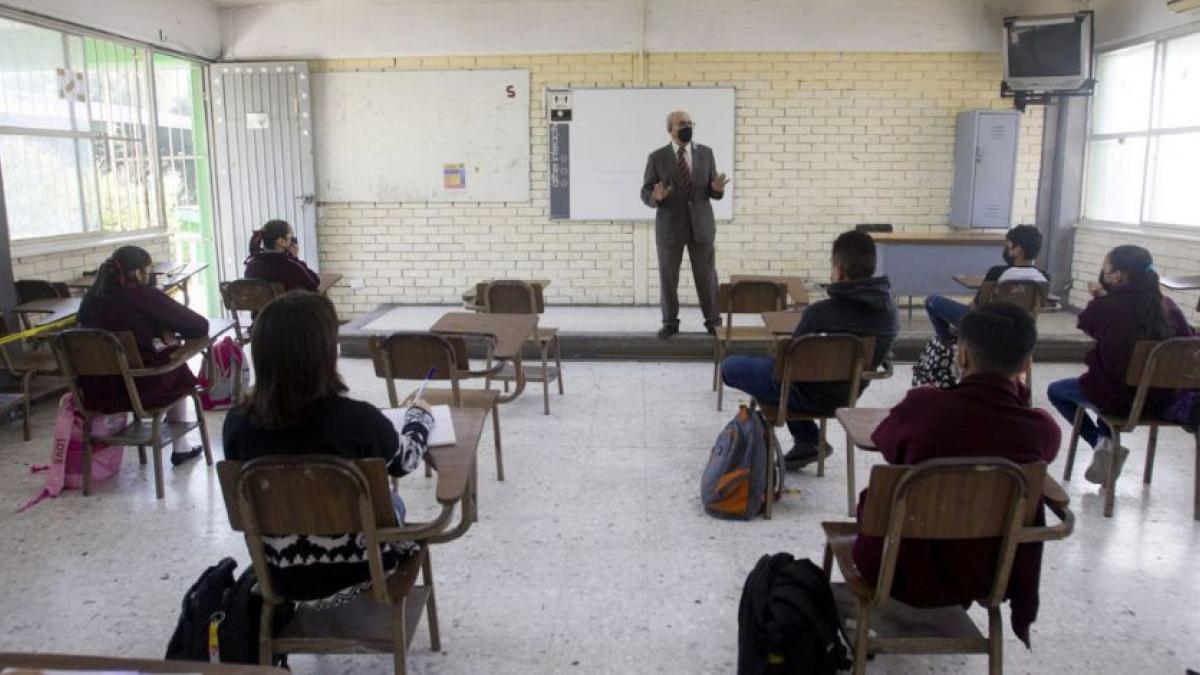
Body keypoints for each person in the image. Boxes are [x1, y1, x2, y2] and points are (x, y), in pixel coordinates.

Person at [852, 302, 1060, 648]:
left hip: (899, 568)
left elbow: (884, 441)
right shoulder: (1041, 430)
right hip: (987, 571)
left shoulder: (924, 407)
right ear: (1026, 364)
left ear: (961, 356)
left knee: (872, 503)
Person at [222, 291, 434, 608]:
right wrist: (419, 418)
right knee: (392, 502)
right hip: (362, 568)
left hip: (278, 571)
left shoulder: (237, 423)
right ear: (324, 354)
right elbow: (405, 462)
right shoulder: (359, 420)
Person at [720, 230, 898, 469]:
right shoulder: (889, 314)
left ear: (838, 271)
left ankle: (809, 440)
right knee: (768, 375)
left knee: (731, 367)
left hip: (802, 394)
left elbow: (787, 365)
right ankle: (809, 441)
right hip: (847, 396)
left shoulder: (820, 313)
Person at [1046, 245, 1194, 485]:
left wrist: (1100, 298)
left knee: (1061, 390)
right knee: (1109, 382)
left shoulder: (1106, 307)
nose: (1102, 274)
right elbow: (1187, 340)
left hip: (1121, 400)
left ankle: (1101, 443)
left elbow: (1086, 323)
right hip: (1165, 400)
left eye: (1106, 269)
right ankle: (1105, 442)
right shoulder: (1168, 306)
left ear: (1119, 275)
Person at [76, 246, 208, 465]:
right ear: (137, 272)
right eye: (148, 270)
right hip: (140, 390)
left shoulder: (90, 299)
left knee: (164, 356)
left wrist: (156, 330)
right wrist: (165, 330)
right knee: (176, 363)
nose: (150, 276)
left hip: (96, 390)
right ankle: (181, 447)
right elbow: (198, 326)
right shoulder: (143, 295)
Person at [640, 110, 730, 339]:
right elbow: (646, 192)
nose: (688, 127)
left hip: (701, 225)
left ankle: (713, 321)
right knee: (668, 277)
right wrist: (655, 197)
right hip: (670, 227)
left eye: (690, 123)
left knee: (707, 276)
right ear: (670, 129)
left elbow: (711, 189)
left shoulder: (706, 154)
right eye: (682, 124)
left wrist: (716, 191)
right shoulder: (657, 157)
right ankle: (670, 322)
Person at [924, 224, 1049, 342]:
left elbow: (977, 306)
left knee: (932, 301)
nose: (1006, 248)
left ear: (1019, 250)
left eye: (1009, 245)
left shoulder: (997, 272)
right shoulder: (1044, 277)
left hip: (987, 328)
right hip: (1023, 331)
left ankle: (948, 343)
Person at [244, 219, 320, 292]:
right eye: (291, 237)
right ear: (281, 241)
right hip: (286, 305)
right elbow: (314, 282)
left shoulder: (251, 265)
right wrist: (295, 258)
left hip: (261, 305)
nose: (293, 241)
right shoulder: (290, 265)